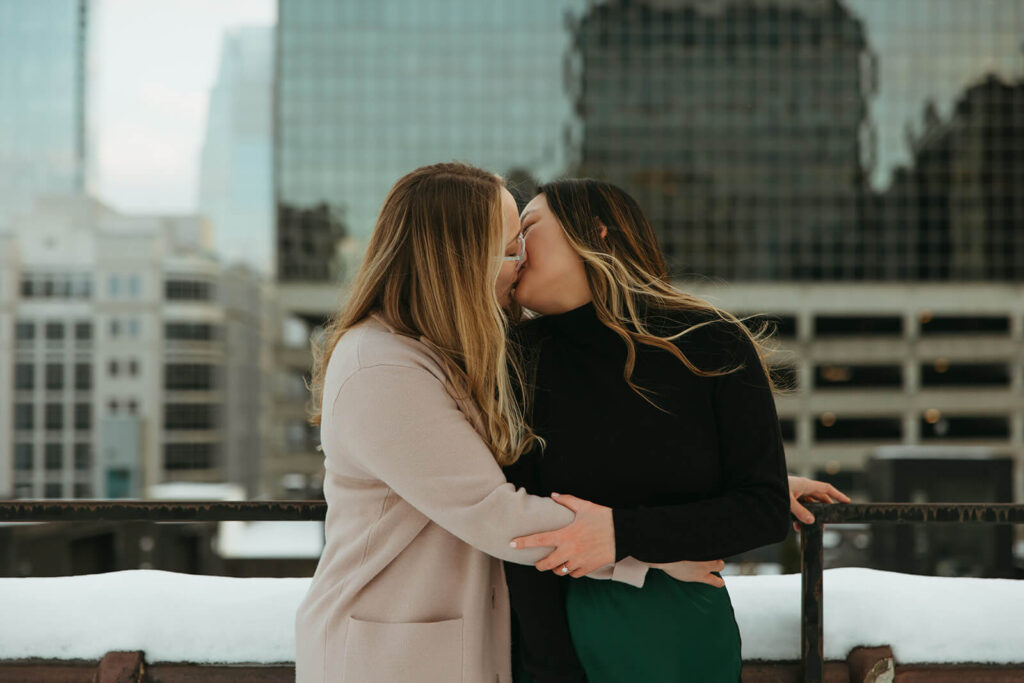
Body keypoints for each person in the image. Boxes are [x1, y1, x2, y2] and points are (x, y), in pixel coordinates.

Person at [292, 163, 722, 683]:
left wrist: (712, 484)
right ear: (460, 258)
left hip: (448, 645)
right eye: (512, 247)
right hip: (390, 655)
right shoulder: (380, 368)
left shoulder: (446, 350)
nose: (522, 263)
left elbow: (553, 461)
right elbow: (495, 514)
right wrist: (647, 552)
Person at [501, 178, 847, 682]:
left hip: (681, 632)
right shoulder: (515, 360)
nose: (515, 250)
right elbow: (515, 533)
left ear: (596, 233)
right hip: (551, 636)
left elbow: (762, 509)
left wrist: (624, 534)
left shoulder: (712, 344)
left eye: (527, 228)